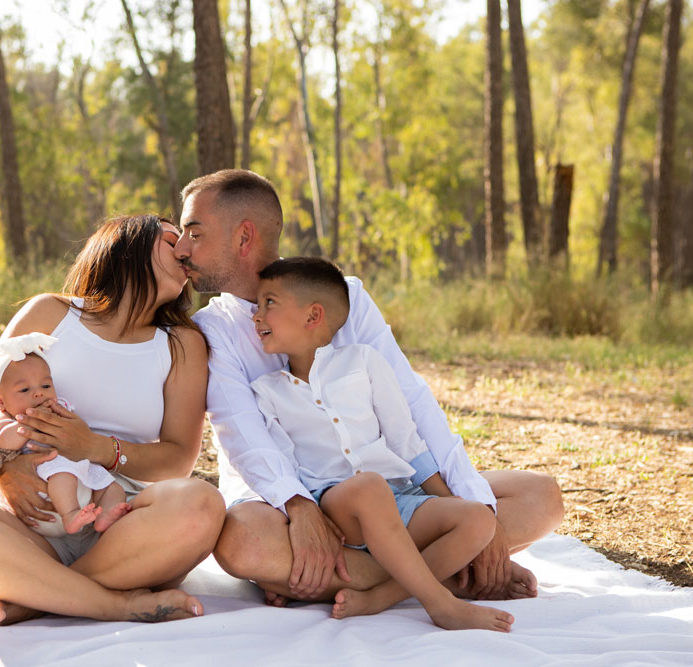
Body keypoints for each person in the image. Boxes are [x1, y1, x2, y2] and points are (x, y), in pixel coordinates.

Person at [173, 169, 563, 606]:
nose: (181, 248)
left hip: (383, 487)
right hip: (280, 500)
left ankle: (357, 578)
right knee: (242, 542)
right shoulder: (212, 328)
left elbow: (410, 403)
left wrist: (475, 508)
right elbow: (243, 433)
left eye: (194, 233)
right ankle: (448, 573)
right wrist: (299, 507)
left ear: (244, 237)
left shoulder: (348, 298)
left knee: (540, 496)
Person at [0, 215, 226, 625]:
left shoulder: (182, 343)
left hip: (124, 525)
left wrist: (96, 448)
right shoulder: (50, 313)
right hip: (34, 521)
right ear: (127, 244)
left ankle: (40, 595)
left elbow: (179, 458)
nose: (185, 250)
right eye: (171, 239)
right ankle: (115, 603)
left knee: (201, 504)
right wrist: (4, 467)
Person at [249, 256, 513, 631]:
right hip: (337, 509)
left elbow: (406, 442)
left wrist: (451, 502)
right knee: (369, 487)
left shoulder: (365, 362)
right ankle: (441, 604)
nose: (256, 316)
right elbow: (285, 467)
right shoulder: (268, 391)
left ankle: (381, 597)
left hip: (396, 499)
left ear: (313, 316)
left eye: (269, 303)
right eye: (257, 306)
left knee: (478, 519)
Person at [0, 333, 130, 535]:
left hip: (79, 468)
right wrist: (30, 425)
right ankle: (71, 515)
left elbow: (78, 429)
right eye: (24, 389)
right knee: (62, 474)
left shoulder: (59, 407)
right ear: (1, 401)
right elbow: (2, 441)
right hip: (45, 478)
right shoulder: (2, 419)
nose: (39, 393)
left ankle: (105, 514)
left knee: (112, 486)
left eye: (46, 386)